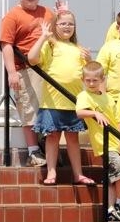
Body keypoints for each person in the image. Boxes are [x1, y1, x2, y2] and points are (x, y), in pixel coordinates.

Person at [27, 11, 94, 185]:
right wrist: (43, 37)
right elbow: (32, 59)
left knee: (73, 138)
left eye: (70, 24)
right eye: (63, 23)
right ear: (55, 25)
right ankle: (51, 172)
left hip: (73, 101)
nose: (67, 27)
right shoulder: (50, 45)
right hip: (53, 101)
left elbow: (89, 74)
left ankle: (78, 174)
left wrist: (89, 60)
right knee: (53, 137)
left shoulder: (79, 48)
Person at [0, 0, 54, 166]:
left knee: (47, 110)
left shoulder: (47, 13)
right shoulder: (12, 16)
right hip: (25, 69)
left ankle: (50, 149)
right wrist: (12, 72)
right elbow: (6, 45)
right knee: (29, 109)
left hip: (47, 68)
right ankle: (33, 152)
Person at [76, 61, 120, 222]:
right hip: (104, 145)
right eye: (88, 81)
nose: (92, 84)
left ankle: (111, 209)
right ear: (83, 80)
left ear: (102, 80)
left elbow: (118, 121)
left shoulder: (108, 98)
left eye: (95, 80)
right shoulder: (84, 96)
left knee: (113, 179)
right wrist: (94, 114)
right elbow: (79, 112)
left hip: (116, 143)